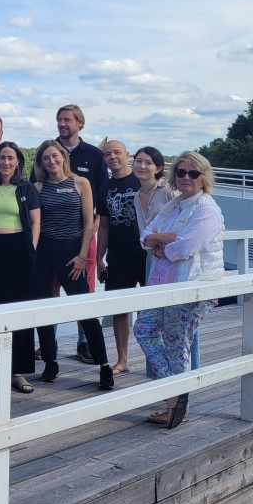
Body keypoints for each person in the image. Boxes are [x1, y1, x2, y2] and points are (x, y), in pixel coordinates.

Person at [136, 151, 224, 428]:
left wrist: (162, 246)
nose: (186, 178)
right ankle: (175, 393)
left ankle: (174, 407)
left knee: (177, 346)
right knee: (144, 329)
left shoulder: (207, 210)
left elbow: (186, 247)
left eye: (193, 173)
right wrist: (165, 239)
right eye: (182, 173)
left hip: (191, 287)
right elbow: (144, 237)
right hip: (162, 285)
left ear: (203, 178)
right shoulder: (173, 206)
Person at [32, 140, 115, 391]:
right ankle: (50, 361)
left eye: (55, 156)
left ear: (63, 157)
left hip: (72, 254)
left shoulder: (81, 183)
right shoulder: (37, 186)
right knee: (45, 310)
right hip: (44, 254)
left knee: (84, 309)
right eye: (45, 158)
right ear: (41, 162)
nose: (51, 161)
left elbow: (90, 224)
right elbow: (34, 223)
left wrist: (82, 256)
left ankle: (104, 365)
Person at [0, 141, 42, 394]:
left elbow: (36, 222)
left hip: (19, 250)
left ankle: (17, 370)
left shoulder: (27, 188)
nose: (6, 162)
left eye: (11, 157)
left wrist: (31, 250)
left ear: (18, 162)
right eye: (2, 157)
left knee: (18, 310)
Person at [131, 146, 191, 372]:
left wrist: (157, 242)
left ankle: (187, 378)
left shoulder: (167, 191)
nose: (142, 166)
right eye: (138, 161)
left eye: (148, 162)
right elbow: (144, 233)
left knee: (180, 326)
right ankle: (157, 377)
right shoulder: (138, 195)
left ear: (158, 168)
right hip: (152, 259)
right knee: (151, 320)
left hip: (172, 260)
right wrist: (152, 243)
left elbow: (181, 226)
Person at [95, 140, 143, 373]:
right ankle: (122, 359)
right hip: (118, 255)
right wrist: (99, 258)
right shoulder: (104, 188)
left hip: (146, 255)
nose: (112, 157)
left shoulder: (142, 181)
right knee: (119, 309)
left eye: (117, 152)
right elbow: (103, 226)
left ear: (127, 155)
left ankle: (152, 356)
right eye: (107, 154)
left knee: (150, 308)